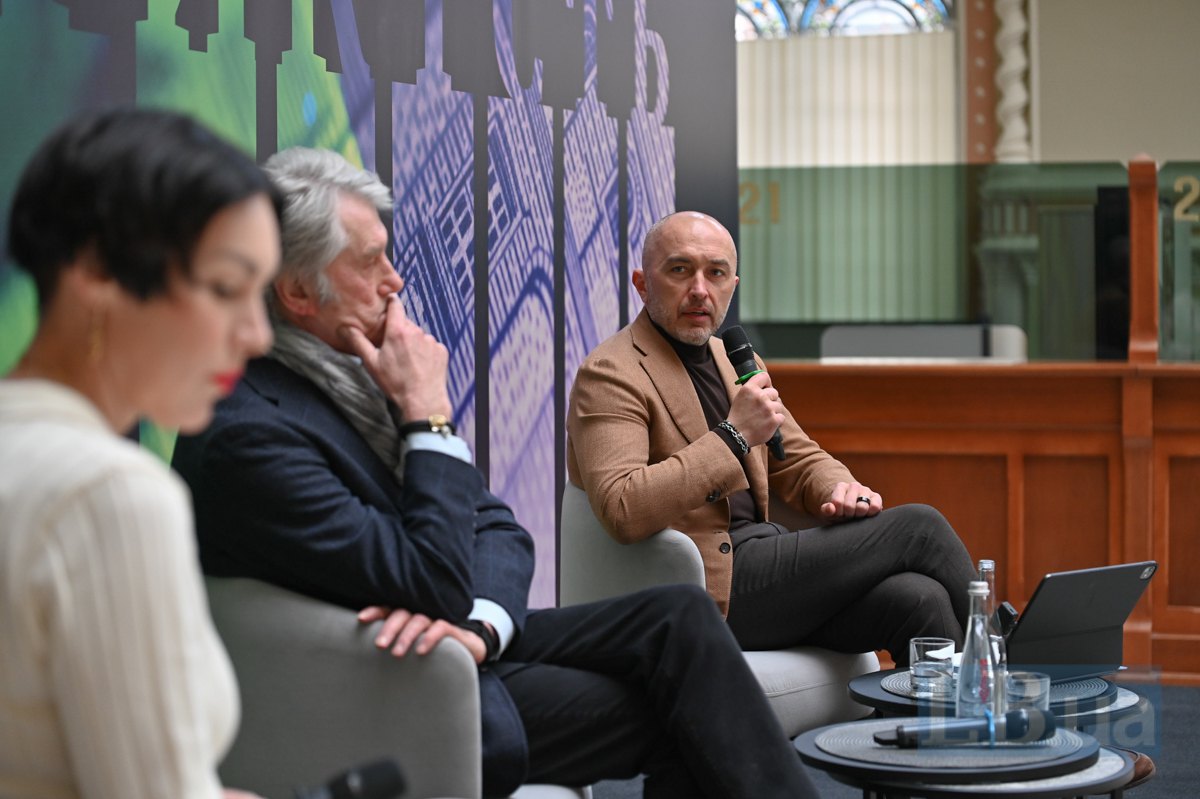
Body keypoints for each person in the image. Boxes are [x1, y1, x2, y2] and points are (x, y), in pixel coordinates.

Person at [171, 147, 821, 799]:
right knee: (691, 706)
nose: (395, 280)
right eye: (370, 262)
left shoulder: (349, 378)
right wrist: (427, 416)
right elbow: (432, 576)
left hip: (460, 639)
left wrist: (485, 625)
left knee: (678, 615)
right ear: (296, 291)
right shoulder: (249, 434)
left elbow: (496, 526)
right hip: (397, 687)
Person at [0, 108, 281, 798]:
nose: (256, 334)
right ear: (96, 268)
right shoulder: (110, 495)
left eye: (260, 295)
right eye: (225, 288)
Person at [566, 210, 978, 666]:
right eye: (680, 270)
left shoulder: (735, 360)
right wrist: (733, 435)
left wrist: (839, 487)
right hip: (704, 584)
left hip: (766, 564)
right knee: (919, 528)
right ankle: (1010, 660)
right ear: (643, 284)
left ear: (732, 286)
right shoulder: (611, 372)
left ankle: (961, 712)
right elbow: (622, 508)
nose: (700, 289)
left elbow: (798, 458)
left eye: (716, 273)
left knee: (919, 600)